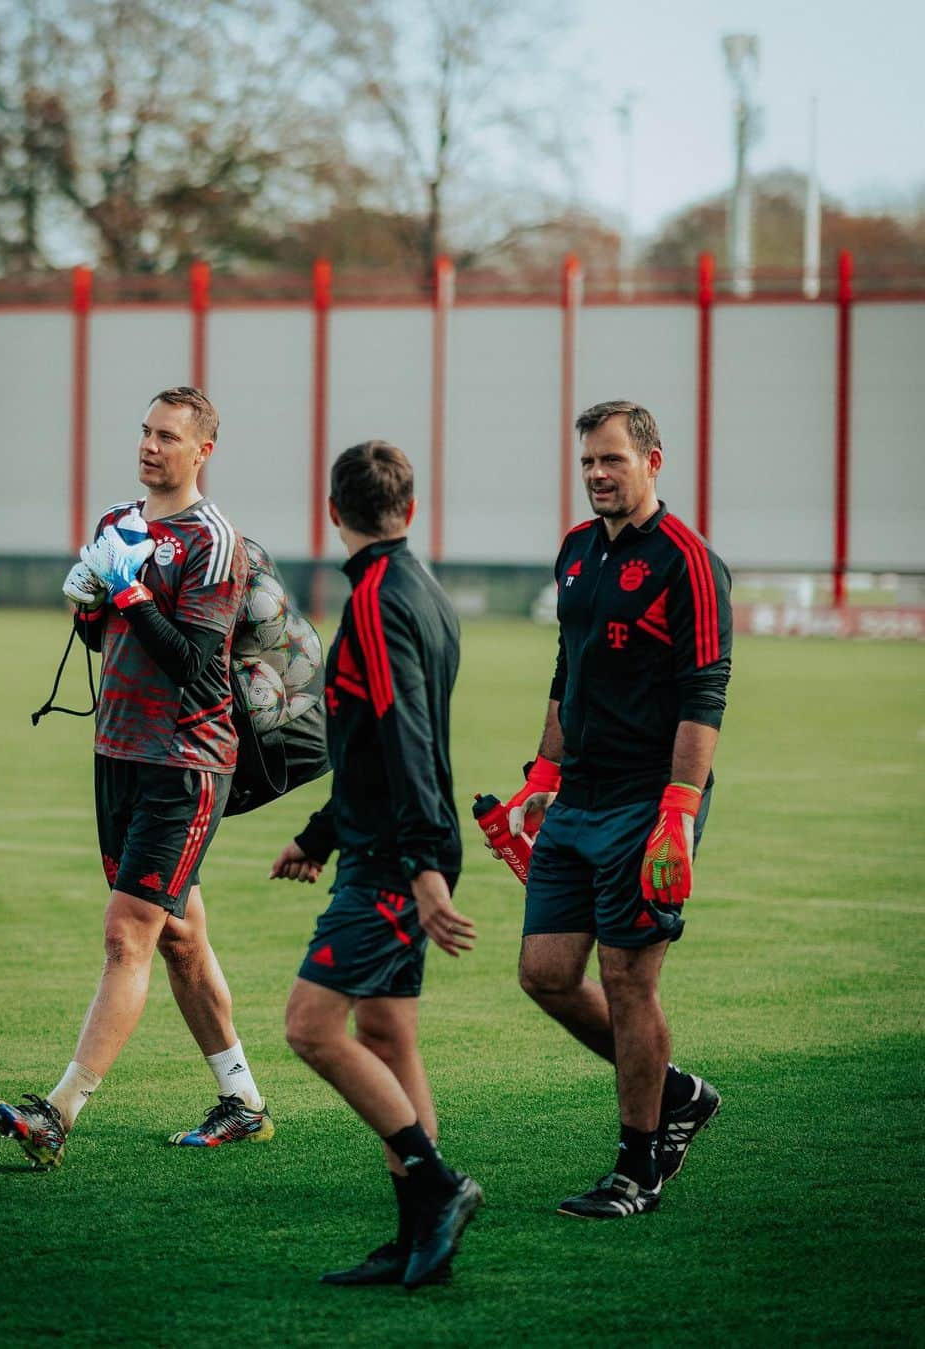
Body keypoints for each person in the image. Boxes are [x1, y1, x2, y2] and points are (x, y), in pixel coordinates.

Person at [0, 386, 273, 1169]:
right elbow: (107, 639)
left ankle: (57, 1111)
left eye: (168, 436)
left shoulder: (214, 540)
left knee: (127, 934)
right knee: (180, 938)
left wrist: (130, 591)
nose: (150, 446)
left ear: (202, 449)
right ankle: (242, 1100)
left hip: (184, 762)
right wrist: (88, 605)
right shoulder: (121, 521)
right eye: (145, 431)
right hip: (118, 753)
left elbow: (194, 660)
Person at [506, 400, 732, 1219]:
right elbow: (570, 671)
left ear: (653, 462)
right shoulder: (573, 551)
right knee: (545, 972)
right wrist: (540, 775)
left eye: (614, 461)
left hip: (649, 802)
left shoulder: (688, 562)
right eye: (589, 463)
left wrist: (678, 812)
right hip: (579, 795)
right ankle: (677, 1093)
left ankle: (638, 1168)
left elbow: (705, 692)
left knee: (628, 980)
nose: (600, 475)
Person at [271, 441, 482, 1289]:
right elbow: (372, 741)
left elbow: (405, 737)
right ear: (412, 509)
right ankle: (412, 1240)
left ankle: (437, 1187)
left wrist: (424, 866)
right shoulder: (426, 592)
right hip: (385, 844)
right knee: (387, 1031)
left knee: (310, 1027)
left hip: (397, 859)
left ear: (332, 512)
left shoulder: (375, 601)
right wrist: (321, 834)